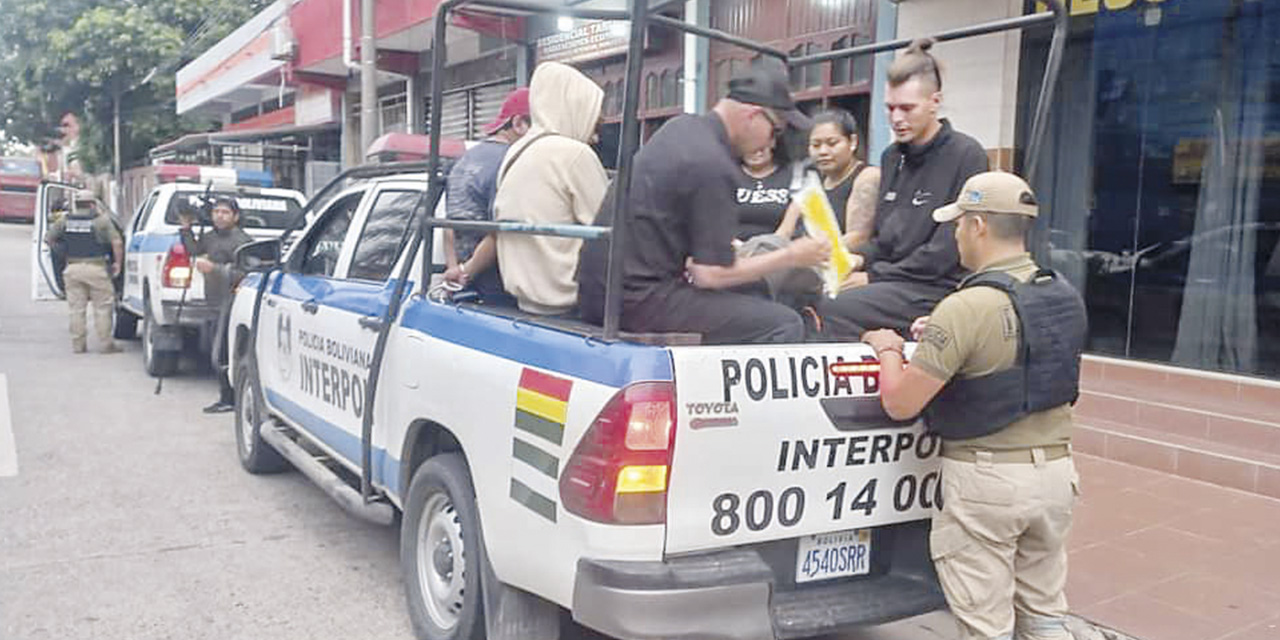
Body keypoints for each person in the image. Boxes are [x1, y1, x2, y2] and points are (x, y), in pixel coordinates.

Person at [862, 172, 1087, 640]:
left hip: (988, 485)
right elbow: (1022, 350)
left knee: (986, 625)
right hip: (1055, 478)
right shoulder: (1063, 294)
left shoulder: (965, 308)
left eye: (959, 224)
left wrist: (887, 348)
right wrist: (945, 335)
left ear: (979, 225)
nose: (956, 234)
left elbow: (901, 404)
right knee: (1044, 613)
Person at [577, 61, 829, 344]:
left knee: (753, 291)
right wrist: (792, 255)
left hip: (598, 292)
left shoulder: (680, 128)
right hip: (637, 302)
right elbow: (710, 274)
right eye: (775, 132)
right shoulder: (714, 163)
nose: (770, 145)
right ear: (753, 115)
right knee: (784, 323)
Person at [819, 39, 989, 339]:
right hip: (893, 280)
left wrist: (872, 275)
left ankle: (883, 381)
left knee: (835, 307)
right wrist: (857, 260)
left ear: (935, 102)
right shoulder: (892, 157)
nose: (897, 118)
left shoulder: (966, 154)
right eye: (890, 108)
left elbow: (945, 253)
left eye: (907, 108)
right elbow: (885, 241)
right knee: (810, 291)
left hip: (937, 286)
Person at [491, 62, 609, 316]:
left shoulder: (515, 153)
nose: (596, 137)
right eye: (594, 123)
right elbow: (610, 229)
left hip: (524, 302)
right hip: (573, 302)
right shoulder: (574, 154)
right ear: (572, 109)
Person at [441, 87, 530, 305]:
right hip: (499, 287)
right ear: (518, 124)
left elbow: (449, 225)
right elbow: (500, 230)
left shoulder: (463, 160)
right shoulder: (512, 161)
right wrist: (466, 271)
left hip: (466, 289)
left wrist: (456, 270)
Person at [180, 196, 253, 413]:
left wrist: (215, 269)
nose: (220, 216)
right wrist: (186, 228)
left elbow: (247, 273)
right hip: (211, 301)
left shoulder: (243, 241)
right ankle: (226, 396)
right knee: (212, 349)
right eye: (216, 212)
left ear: (235, 216)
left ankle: (229, 398)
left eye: (225, 212)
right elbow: (193, 250)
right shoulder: (210, 237)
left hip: (231, 302)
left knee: (221, 353)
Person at [775, 109, 881, 249]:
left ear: (852, 142)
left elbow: (857, 237)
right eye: (816, 145)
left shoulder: (867, 177)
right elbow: (784, 231)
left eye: (832, 143)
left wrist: (806, 257)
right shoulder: (811, 181)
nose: (823, 152)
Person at [45, 190, 123, 354]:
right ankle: (106, 344)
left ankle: (78, 345)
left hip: (72, 269)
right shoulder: (101, 221)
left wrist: (62, 252)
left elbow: (49, 239)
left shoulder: (64, 221)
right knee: (102, 308)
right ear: (92, 204)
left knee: (76, 309)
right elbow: (117, 242)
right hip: (97, 268)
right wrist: (117, 264)